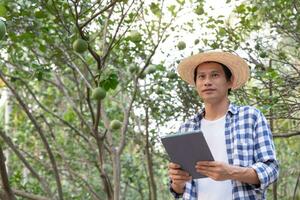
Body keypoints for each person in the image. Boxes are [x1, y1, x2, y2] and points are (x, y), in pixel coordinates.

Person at [168, 51, 279, 200]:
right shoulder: (186, 128)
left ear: (230, 81)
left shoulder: (251, 117)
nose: (207, 81)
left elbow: (271, 170)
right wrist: (177, 182)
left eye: (215, 75)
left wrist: (231, 172)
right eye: (201, 76)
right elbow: (178, 190)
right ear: (196, 84)